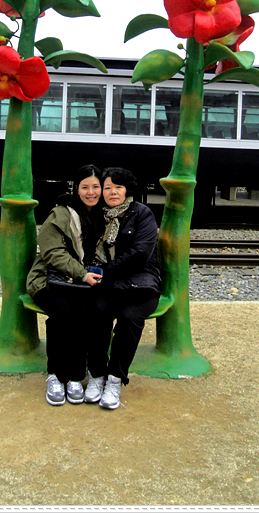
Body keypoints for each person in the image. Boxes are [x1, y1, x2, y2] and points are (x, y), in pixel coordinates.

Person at [26, 165, 105, 406]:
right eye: (85, 187)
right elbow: (52, 252)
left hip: (81, 283)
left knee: (83, 312)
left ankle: (75, 376)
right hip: (49, 280)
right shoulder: (61, 213)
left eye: (96, 187)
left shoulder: (103, 215)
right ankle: (56, 375)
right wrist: (82, 274)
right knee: (63, 313)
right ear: (76, 188)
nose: (91, 192)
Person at [84, 167, 161, 410]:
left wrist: (105, 271)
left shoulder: (142, 214)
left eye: (118, 187)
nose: (113, 192)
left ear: (127, 190)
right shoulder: (96, 215)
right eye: (107, 187)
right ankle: (97, 375)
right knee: (97, 313)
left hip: (140, 283)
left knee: (129, 319)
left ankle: (115, 378)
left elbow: (140, 254)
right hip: (108, 284)